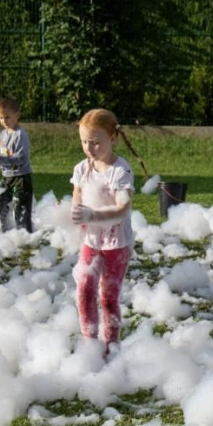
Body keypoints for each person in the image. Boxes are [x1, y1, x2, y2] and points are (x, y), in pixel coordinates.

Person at [71, 108, 147, 357]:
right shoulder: (82, 169)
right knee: (83, 288)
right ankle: (88, 341)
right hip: (90, 241)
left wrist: (93, 215)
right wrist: (72, 211)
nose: (89, 148)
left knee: (108, 296)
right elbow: (78, 196)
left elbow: (122, 209)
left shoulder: (120, 171)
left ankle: (110, 346)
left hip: (116, 243)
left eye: (95, 143)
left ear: (112, 139)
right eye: (84, 142)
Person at [0, 97, 33, 232]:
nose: (4, 121)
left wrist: (1, 158)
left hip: (21, 179)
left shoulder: (20, 135)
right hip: (6, 178)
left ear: (17, 115)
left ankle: (25, 237)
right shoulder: (1, 135)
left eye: (7, 117)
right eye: (0, 118)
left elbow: (22, 158)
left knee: (20, 209)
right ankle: (2, 230)